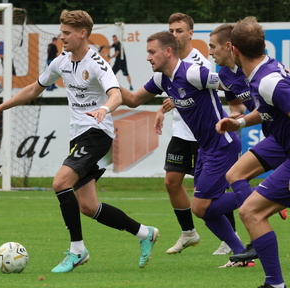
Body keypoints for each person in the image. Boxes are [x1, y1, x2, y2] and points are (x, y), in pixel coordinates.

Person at [0, 9, 159, 273]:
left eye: (66, 33)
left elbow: (116, 95)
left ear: (82, 33)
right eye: (61, 32)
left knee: (60, 182)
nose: (61, 37)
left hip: (98, 133)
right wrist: (0, 107)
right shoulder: (60, 62)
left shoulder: (97, 63)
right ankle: (144, 233)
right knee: (88, 206)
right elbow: (33, 89)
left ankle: (78, 250)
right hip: (78, 136)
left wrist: (104, 110)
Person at [122, 31, 253, 268]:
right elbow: (132, 99)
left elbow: (230, 83)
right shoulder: (163, 79)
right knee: (205, 210)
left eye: (152, 52)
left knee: (200, 207)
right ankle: (241, 255)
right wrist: (108, 86)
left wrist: (241, 107)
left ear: (168, 52)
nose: (148, 58)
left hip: (222, 144)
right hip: (206, 148)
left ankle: (267, 194)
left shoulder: (192, 72)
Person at [216, 16, 290, 288]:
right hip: (282, 143)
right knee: (248, 205)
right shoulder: (265, 70)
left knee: (251, 213)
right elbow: (269, 109)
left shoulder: (267, 80)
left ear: (233, 49)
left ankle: (275, 284)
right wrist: (240, 122)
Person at [155, 12, 236, 255]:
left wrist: (236, 112)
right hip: (181, 132)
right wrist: (161, 108)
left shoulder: (200, 63)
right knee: (171, 182)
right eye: (171, 31)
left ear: (190, 34)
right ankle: (188, 233)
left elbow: (204, 88)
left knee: (214, 191)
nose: (174, 35)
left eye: (179, 31)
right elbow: (168, 87)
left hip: (204, 135)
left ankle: (230, 236)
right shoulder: (168, 63)